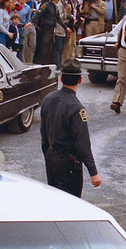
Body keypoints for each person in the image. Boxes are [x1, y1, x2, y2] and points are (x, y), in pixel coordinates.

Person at [40, 59, 101, 197]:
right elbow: (83, 143)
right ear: (79, 80)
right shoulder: (76, 108)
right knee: (70, 202)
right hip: (68, 163)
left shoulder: (48, 98)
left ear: (61, 78)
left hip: (51, 157)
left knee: (54, 198)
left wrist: (47, 153)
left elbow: (43, 132)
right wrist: (93, 172)